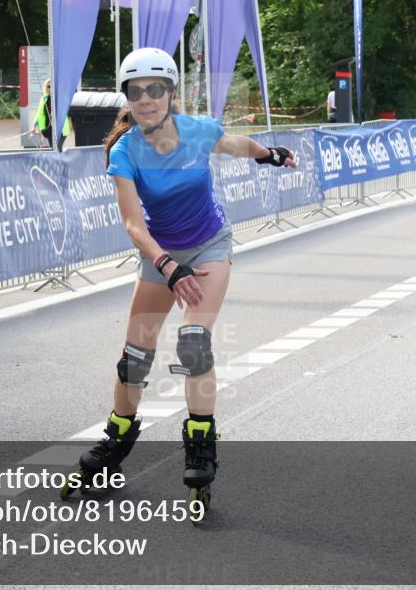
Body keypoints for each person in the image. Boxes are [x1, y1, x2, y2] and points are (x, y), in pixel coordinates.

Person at [60, 48, 297, 515]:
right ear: (127, 97)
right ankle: (117, 441)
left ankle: (200, 443)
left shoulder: (196, 132)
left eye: (155, 89)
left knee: (192, 345)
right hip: (160, 255)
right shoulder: (126, 150)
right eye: (136, 91)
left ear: (170, 93)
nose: (146, 99)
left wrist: (270, 155)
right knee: (134, 358)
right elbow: (133, 225)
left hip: (208, 247)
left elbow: (238, 145)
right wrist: (168, 267)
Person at [32, 79, 71, 151]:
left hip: (60, 129)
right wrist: (34, 126)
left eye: (52, 86)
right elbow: (39, 113)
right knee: (54, 149)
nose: (50, 88)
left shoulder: (59, 97)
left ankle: (60, 161)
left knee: (57, 149)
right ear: (45, 87)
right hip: (48, 129)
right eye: (48, 86)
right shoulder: (44, 98)